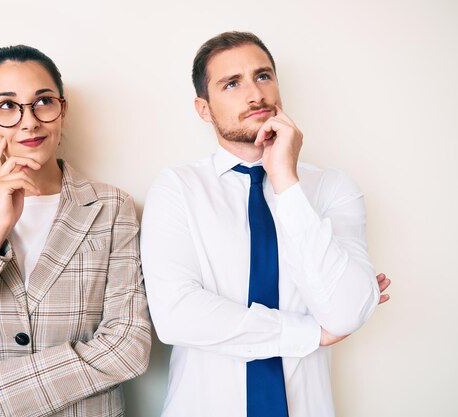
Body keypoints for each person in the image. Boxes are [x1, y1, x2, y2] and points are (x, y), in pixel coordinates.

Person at [140, 31, 391, 417]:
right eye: (231, 83)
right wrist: (309, 333)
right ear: (203, 109)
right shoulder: (177, 188)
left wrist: (285, 181)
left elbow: (345, 313)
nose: (255, 94)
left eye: (263, 76)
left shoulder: (331, 188)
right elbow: (177, 316)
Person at [0, 45, 151, 417]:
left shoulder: (111, 207)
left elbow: (128, 346)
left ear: (62, 110)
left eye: (43, 102)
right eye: (6, 106)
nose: (29, 121)